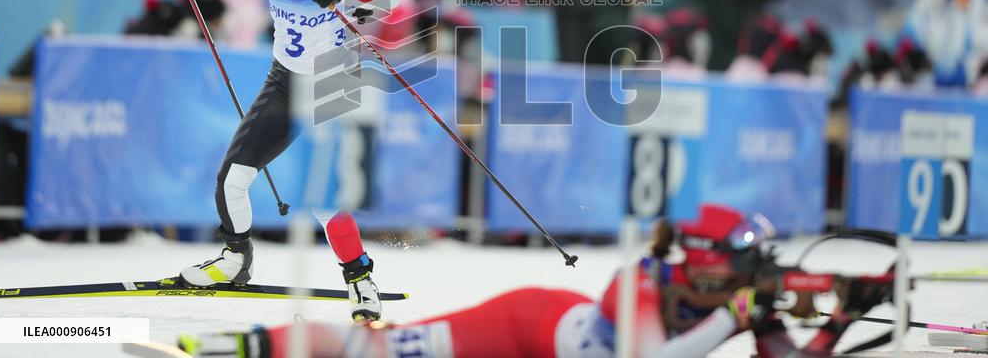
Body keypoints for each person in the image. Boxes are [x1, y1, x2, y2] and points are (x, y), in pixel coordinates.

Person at [155, 0, 400, 321]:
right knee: (232, 179)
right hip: (285, 77)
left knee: (326, 200)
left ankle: (360, 280)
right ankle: (234, 260)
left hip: (333, 77)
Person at [177, 204, 891, 357]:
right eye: (743, 260)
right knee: (382, 351)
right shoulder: (642, 280)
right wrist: (735, 315)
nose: (753, 275)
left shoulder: (728, 297)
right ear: (703, 257)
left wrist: (840, 318)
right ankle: (249, 345)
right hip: (524, 327)